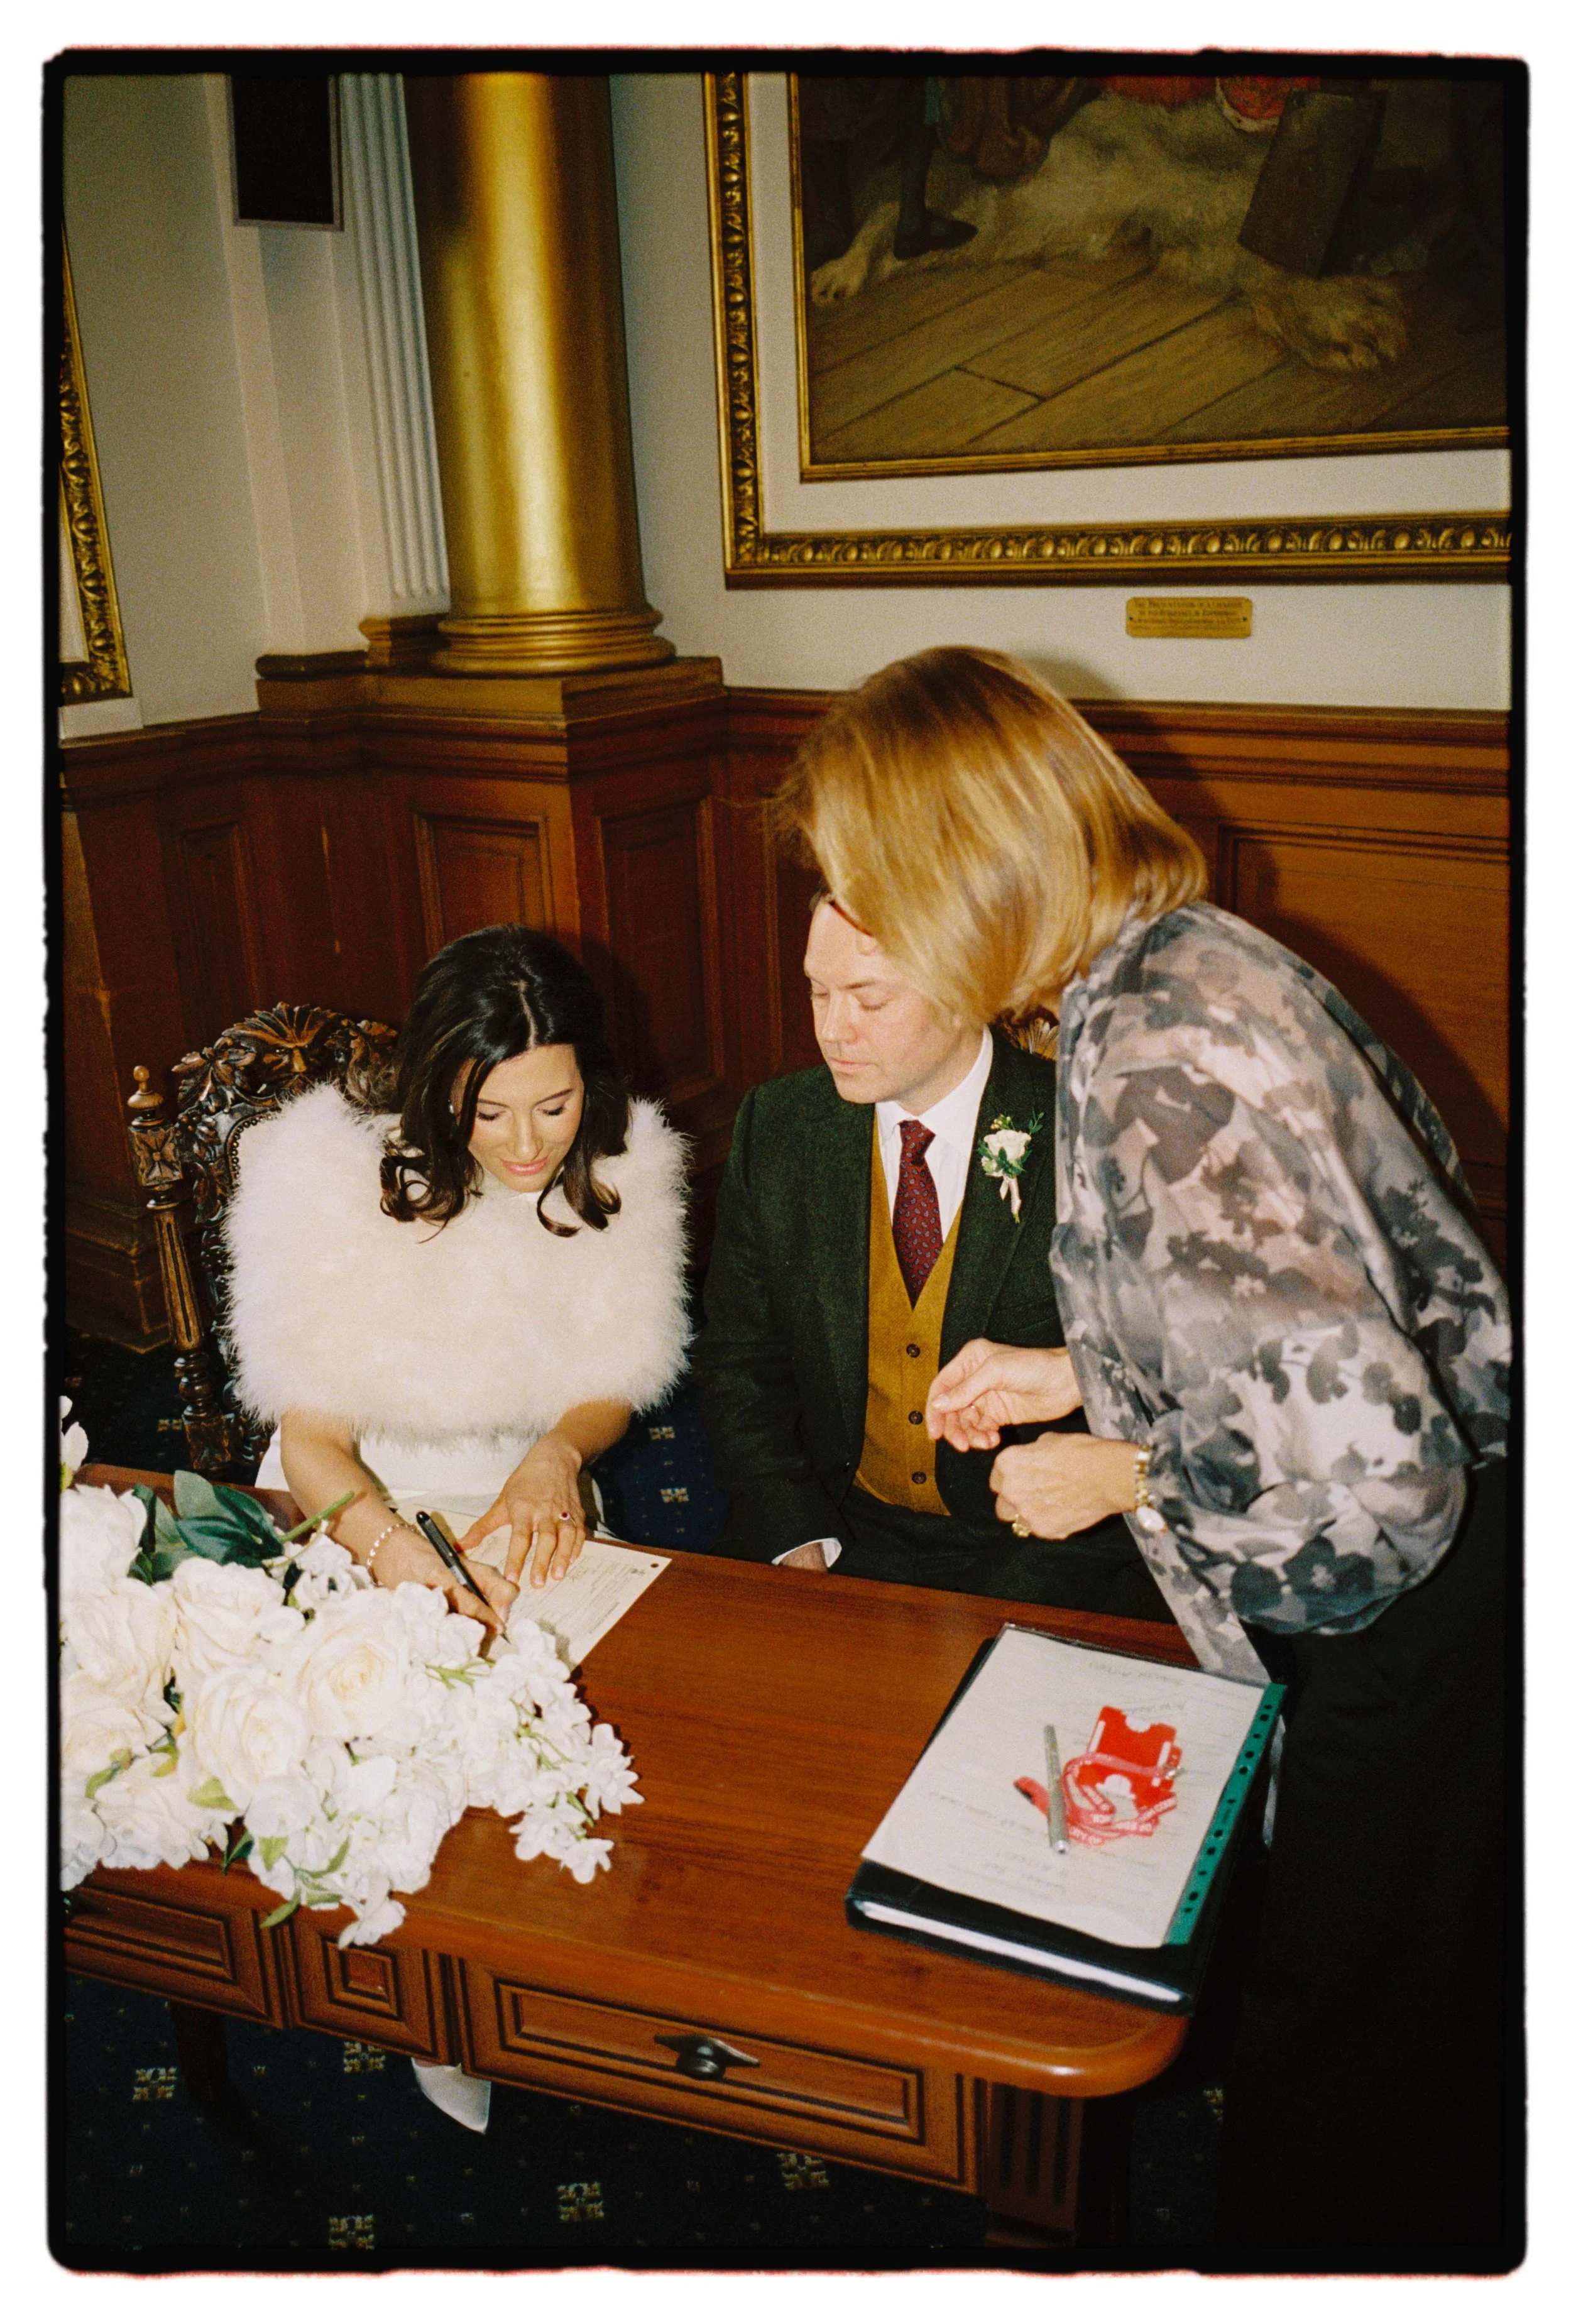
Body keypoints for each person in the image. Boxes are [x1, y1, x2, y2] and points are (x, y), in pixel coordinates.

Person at [771, 645, 1514, 2254]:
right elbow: (1300, 1314)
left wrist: (1125, 1469)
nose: (844, 923)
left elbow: (1382, 1486)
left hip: (1417, 1615)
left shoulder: (1159, 1058)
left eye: (863, 882)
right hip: (1459, 1558)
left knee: (1355, 2065)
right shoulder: (1174, 966)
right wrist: (1079, 1370)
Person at [224, 922, 689, 2130]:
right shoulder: (324, 1177)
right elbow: (316, 1443)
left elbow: (618, 1367)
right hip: (357, 1495)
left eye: (555, 1104)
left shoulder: (623, 1159)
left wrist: (555, 1455)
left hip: (517, 1479)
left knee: (577, 1716)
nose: (529, 1145)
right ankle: (438, 1995)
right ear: (439, 1084)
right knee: (416, 1710)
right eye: (490, 1112)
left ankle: (546, 1959)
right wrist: (405, 1564)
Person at [692, 889, 1173, 1621]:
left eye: (869, 1000)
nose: (831, 1029)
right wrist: (794, 1532)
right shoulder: (780, 1126)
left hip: (1045, 1544)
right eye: (818, 992)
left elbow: (1169, 1372)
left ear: (962, 993)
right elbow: (739, 1364)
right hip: (837, 1524)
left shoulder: (1090, 1133)